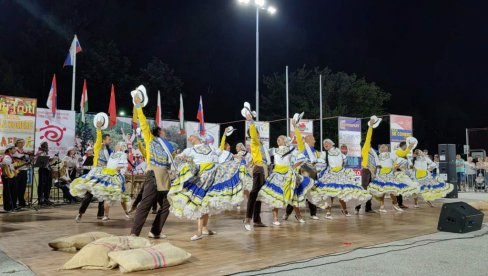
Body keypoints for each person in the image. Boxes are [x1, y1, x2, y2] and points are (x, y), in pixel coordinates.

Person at [170, 131, 249, 240]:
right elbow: (179, 158)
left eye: (191, 136)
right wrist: (181, 158)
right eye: (189, 138)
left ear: (198, 137)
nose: (189, 138)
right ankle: (199, 231)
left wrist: (236, 156)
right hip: (201, 179)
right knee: (202, 202)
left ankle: (204, 228)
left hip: (214, 176)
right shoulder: (190, 150)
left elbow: (222, 153)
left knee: (207, 202)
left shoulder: (210, 147)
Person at [130, 86, 173, 239]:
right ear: (158, 132)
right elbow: (143, 123)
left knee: (168, 204)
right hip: (153, 175)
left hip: (164, 177)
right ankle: (134, 234)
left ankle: (155, 231)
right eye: (163, 131)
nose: (165, 133)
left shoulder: (166, 147)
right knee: (146, 204)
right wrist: (138, 106)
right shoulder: (150, 139)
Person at [258, 115, 314, 225]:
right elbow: (263, 153)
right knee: (276, 196)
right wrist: (258, 141)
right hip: (276, 175)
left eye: (280, 138)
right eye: (277, 139)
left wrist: (293, 167)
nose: (278, 140)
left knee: (293, 195)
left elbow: (301, 156)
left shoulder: (291, 149)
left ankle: (298, 215)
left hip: (288, 174)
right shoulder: (273, 150)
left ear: (285, 140)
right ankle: (275, 218)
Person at [309, 139, 371, 219]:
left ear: (331, 144)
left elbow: (345, 161)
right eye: (324, 144)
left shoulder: (339, 152)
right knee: (329, 193)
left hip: (341, 173)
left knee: (342, 193)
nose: (325, 144)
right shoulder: (324, 154)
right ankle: (328, 212)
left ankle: (344, 209)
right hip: (330, 174)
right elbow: (319, 162)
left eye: (326, 143)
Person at [71, 141, 130, 221]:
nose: (115, 145)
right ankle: (81, 213)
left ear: (120, 146)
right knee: (90, 192)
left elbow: (121, 166)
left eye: (117, 144)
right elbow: (106, 160)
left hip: (113, 176)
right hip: (104, 173)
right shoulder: (111, 153)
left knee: (108, 194)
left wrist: (113, 172)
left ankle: (104, 214)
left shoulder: (122, 154)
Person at [72, 117, 111, 221]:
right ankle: (80, 213)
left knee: (102, 195)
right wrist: (98, 129)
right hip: (96, 173)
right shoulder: (98, 147)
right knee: (89, 195)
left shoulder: (109, 150)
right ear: (104, 140)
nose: (110, 141)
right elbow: (98, 138)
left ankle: (100, 214)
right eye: (109, 139)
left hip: (104, 174)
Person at [368, 144, 419, 212]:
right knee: (381, 191)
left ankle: (395, 204)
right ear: (380, 149)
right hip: (381, 174)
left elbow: (401, 160)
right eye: (381, 146)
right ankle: (382, 206)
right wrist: (374, 174)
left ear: (387, 148)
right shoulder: (378, 156)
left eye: (384, 146)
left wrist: (395, 168)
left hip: (389, 174)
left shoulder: (391, 154)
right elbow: (376, 166)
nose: (383, 147)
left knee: (392, 189)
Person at [284, 133, 320, 220]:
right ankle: (288, 213)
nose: (315, 140)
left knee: (312, 193)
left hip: (312, 173)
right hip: (304, 173)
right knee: (297, 193)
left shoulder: (315, 151)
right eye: (313, 139)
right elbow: (300, 140)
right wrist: (296, 126)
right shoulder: (303, 148)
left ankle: (313, 213)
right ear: (308, 140)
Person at [243, 112, 267, 231]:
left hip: (263, 169)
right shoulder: (254, 141)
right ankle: (248, 218)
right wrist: (251, 122)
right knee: (254, 194)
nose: (258, 134)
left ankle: (257, 220)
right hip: (258, 169)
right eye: (256, 132)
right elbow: (252, 135)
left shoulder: (260, 144)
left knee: (259, 195)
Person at [355, 116, 381, 214]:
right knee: (364, 189)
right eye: (368, 142)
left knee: (369, 190)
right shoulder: (365, 149)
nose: (369, 143)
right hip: (366, 171)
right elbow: (368, 137)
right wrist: (370, 126)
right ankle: (358, 207)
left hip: (371, 171)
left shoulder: (371, 151)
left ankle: (368, 208)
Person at [394, 141, 413, 208]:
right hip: (397, 172)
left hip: (403, 173)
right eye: (406, 146)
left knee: (401, 188)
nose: (407, 147)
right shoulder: (398, 152)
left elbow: (408, 164)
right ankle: (397, 203)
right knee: (398, 188)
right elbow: (396, 163)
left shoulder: (404, 154)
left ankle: (400, 203)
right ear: (404, 146)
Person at [12, 139, 31, 208]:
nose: (23, 144)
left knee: (23, 187)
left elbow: (27, 158)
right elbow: (16, 158)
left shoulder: (24, 150)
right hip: (17, 170)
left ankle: (21, 201)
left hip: (24, 170)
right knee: (16, 187)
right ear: (18, 143)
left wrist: (29, 160)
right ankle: (14, 202)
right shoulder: (15, 150)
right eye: (22, 142)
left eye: (24, 142)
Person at [35, 142, 54, 206]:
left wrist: (50, 160)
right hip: (42, 169)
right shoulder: (39, 152)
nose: (47, 146)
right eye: (45, 145)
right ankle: (40, 199)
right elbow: (37, 160)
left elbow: (48, 161)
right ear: (42, 146)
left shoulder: (46, 152)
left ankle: (46, 198)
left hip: (47, 169)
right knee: (41, 185)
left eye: (47, 145)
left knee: (48, 184)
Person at [1, 144, 18, 211]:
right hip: (7, 176)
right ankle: (8, 207)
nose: (15, 150)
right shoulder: (7, 157)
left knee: (11, 191)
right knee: (8, 192)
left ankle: (11, 206)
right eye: (13, 148)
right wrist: (15, 171)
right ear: (9, 149)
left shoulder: (9, 156)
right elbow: (8, 165)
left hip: (9, 176)